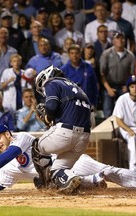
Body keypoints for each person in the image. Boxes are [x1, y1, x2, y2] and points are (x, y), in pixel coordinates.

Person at [0, 124, 136, 193]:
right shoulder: (7, 167)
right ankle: (92, 182)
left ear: (8, 134)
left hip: (69, 161)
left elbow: (11, 154)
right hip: (59, 177)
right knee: (47, 185)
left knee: (108, 171)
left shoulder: (22, 138)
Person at [31, 65, 91, 194]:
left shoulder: (52, 83)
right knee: (58, 170)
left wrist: (47, 118)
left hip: (66, 133)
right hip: (84, 138)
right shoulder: (78, 88)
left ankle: (45, 182)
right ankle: (83, 180)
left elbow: (51, 107)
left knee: (37, 146)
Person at [100, 31, 136, 118]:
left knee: (126, 112)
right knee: (108, 112)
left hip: (124, 86)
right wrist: (108, 89)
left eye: (122, 38)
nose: (120, 40)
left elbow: (133, 74)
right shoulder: (106, 54)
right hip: (109, 86)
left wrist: (127, 86)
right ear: (113, 41)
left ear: (125, 41)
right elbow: (102, 74)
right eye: (117, 38)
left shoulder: (130, 56)